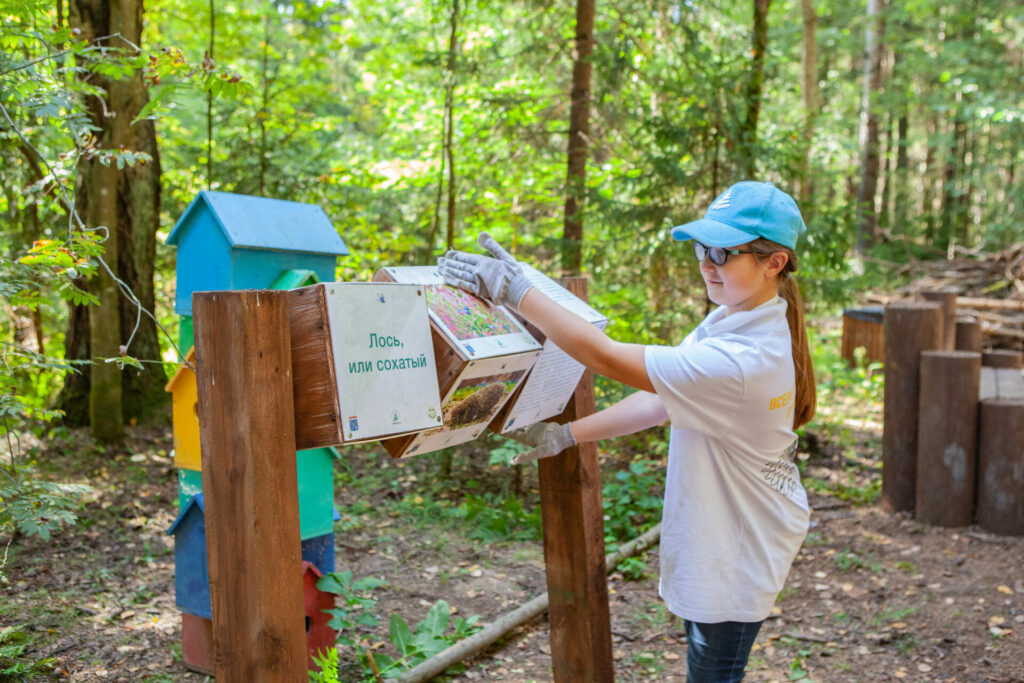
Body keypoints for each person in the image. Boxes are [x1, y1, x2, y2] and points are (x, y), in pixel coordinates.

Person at [437, 180, 815, 683]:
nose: (707, 262)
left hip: (736, 554)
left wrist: (517, 290)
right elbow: (662, 399)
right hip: (734, 534)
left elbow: (607, 356)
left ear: (775, 262)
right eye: (702, 248)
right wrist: (569, 434)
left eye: (724, 251)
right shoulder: (735, 320)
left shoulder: (743, 359)